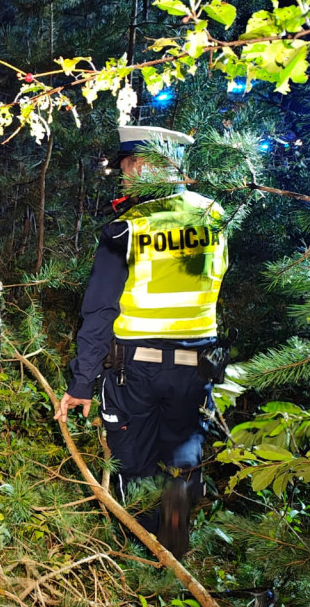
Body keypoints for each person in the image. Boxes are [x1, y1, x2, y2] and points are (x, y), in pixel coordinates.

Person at [54, 125, 228, 559]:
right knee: (183, 463)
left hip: (137, 371)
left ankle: (139, 555)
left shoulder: (128, 228)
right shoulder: (214, 215)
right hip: (198, 366)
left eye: (129, 168)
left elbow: (99, 312)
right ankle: (173, 556)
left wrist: (81, 384)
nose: (125, 177)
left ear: (145, 167)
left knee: (134, 464)